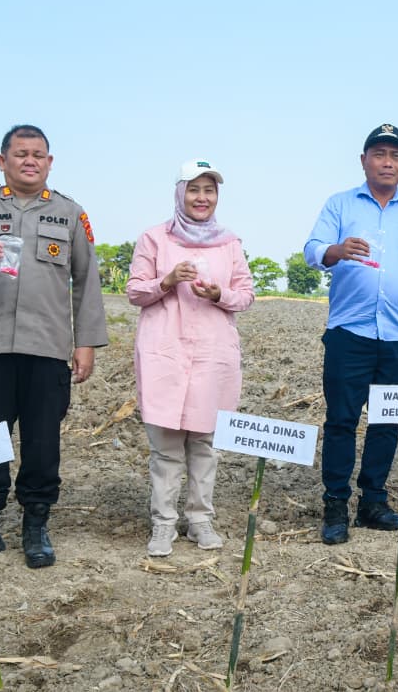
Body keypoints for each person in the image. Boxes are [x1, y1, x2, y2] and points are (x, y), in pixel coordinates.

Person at [0, 124, 107, 571]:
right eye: (20, 154)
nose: (29, 161)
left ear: (49, 162)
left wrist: (86, 343)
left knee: (42, 441)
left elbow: (87, 281)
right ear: (2, 161)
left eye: (38, 155)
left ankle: (36, 525)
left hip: (47, 348)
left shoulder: (70, 213)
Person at [304, 124, 398, 545]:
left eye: (395, 156)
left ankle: (373, 500)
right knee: (341, 420)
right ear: (364, 160)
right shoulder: (340, 204)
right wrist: (336, 251)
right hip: (349, 333)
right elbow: (312, 249)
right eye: (379, 154)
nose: (388, 162)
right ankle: (335, 504)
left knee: (387, 422)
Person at [128, 158, 255, 555]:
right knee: (165, 447)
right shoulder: (154, 238)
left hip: (212, 354)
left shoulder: (229, 243)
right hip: (165, 352)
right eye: (194, 189)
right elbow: (135, 291)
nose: (202, 198)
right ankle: (163, 523)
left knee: (204, 443)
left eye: (209, 190)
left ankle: (200, 520)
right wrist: (167, 281)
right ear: (180, 193)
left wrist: (219, 294)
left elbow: (246, 294)